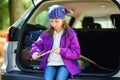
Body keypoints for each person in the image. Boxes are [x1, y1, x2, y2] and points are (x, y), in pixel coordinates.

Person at [30, 5, 81, 80]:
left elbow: (76, 53)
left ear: (63, 19)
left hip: (65, 65)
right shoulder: (46, 34)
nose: (54, 24)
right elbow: (37, 45)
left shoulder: (70, 34)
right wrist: (34, 52)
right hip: (51, 64)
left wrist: (62, 51)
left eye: (56, 21)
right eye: (51, 21)